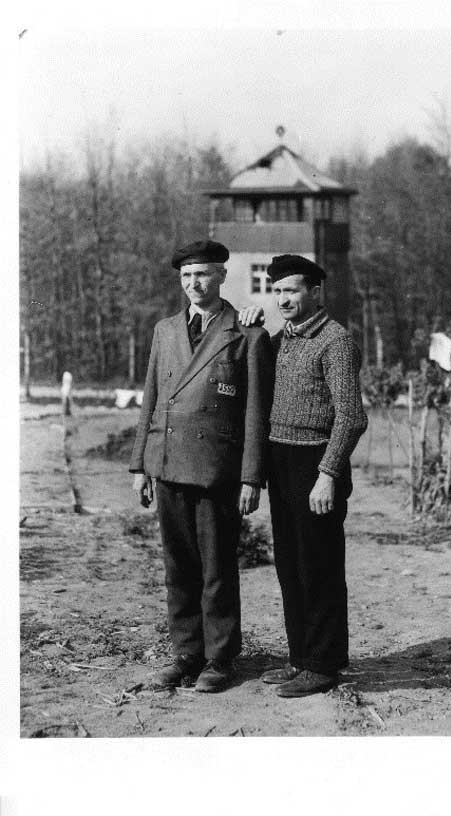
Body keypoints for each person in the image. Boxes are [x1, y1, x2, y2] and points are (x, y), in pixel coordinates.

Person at [130, 239, 272, 693]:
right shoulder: (164, 330)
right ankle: (186, 653)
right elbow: (150, 399)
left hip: (217, 470)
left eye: (204, 274)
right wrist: (140, 465)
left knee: (216, 568)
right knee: (178, 567)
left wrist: (252, 476)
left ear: (222, 277)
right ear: (180, 280)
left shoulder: (246, 333)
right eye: (188, 276)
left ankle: (220, 657)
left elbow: (255, 413)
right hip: (168, 464)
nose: (195, 283)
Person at [240, 254, 367, 697]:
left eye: (292, 290)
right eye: (276, 291)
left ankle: (323, 664)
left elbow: (351, 417)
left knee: (320, 568)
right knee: (291, 567)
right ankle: (300, 659)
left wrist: (329, 473)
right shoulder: (282, 339)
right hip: (281, 463)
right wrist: (252, 327)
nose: (283, 299)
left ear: (316, 292)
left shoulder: (335, 341)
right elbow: (251, 361)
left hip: (316, 466)